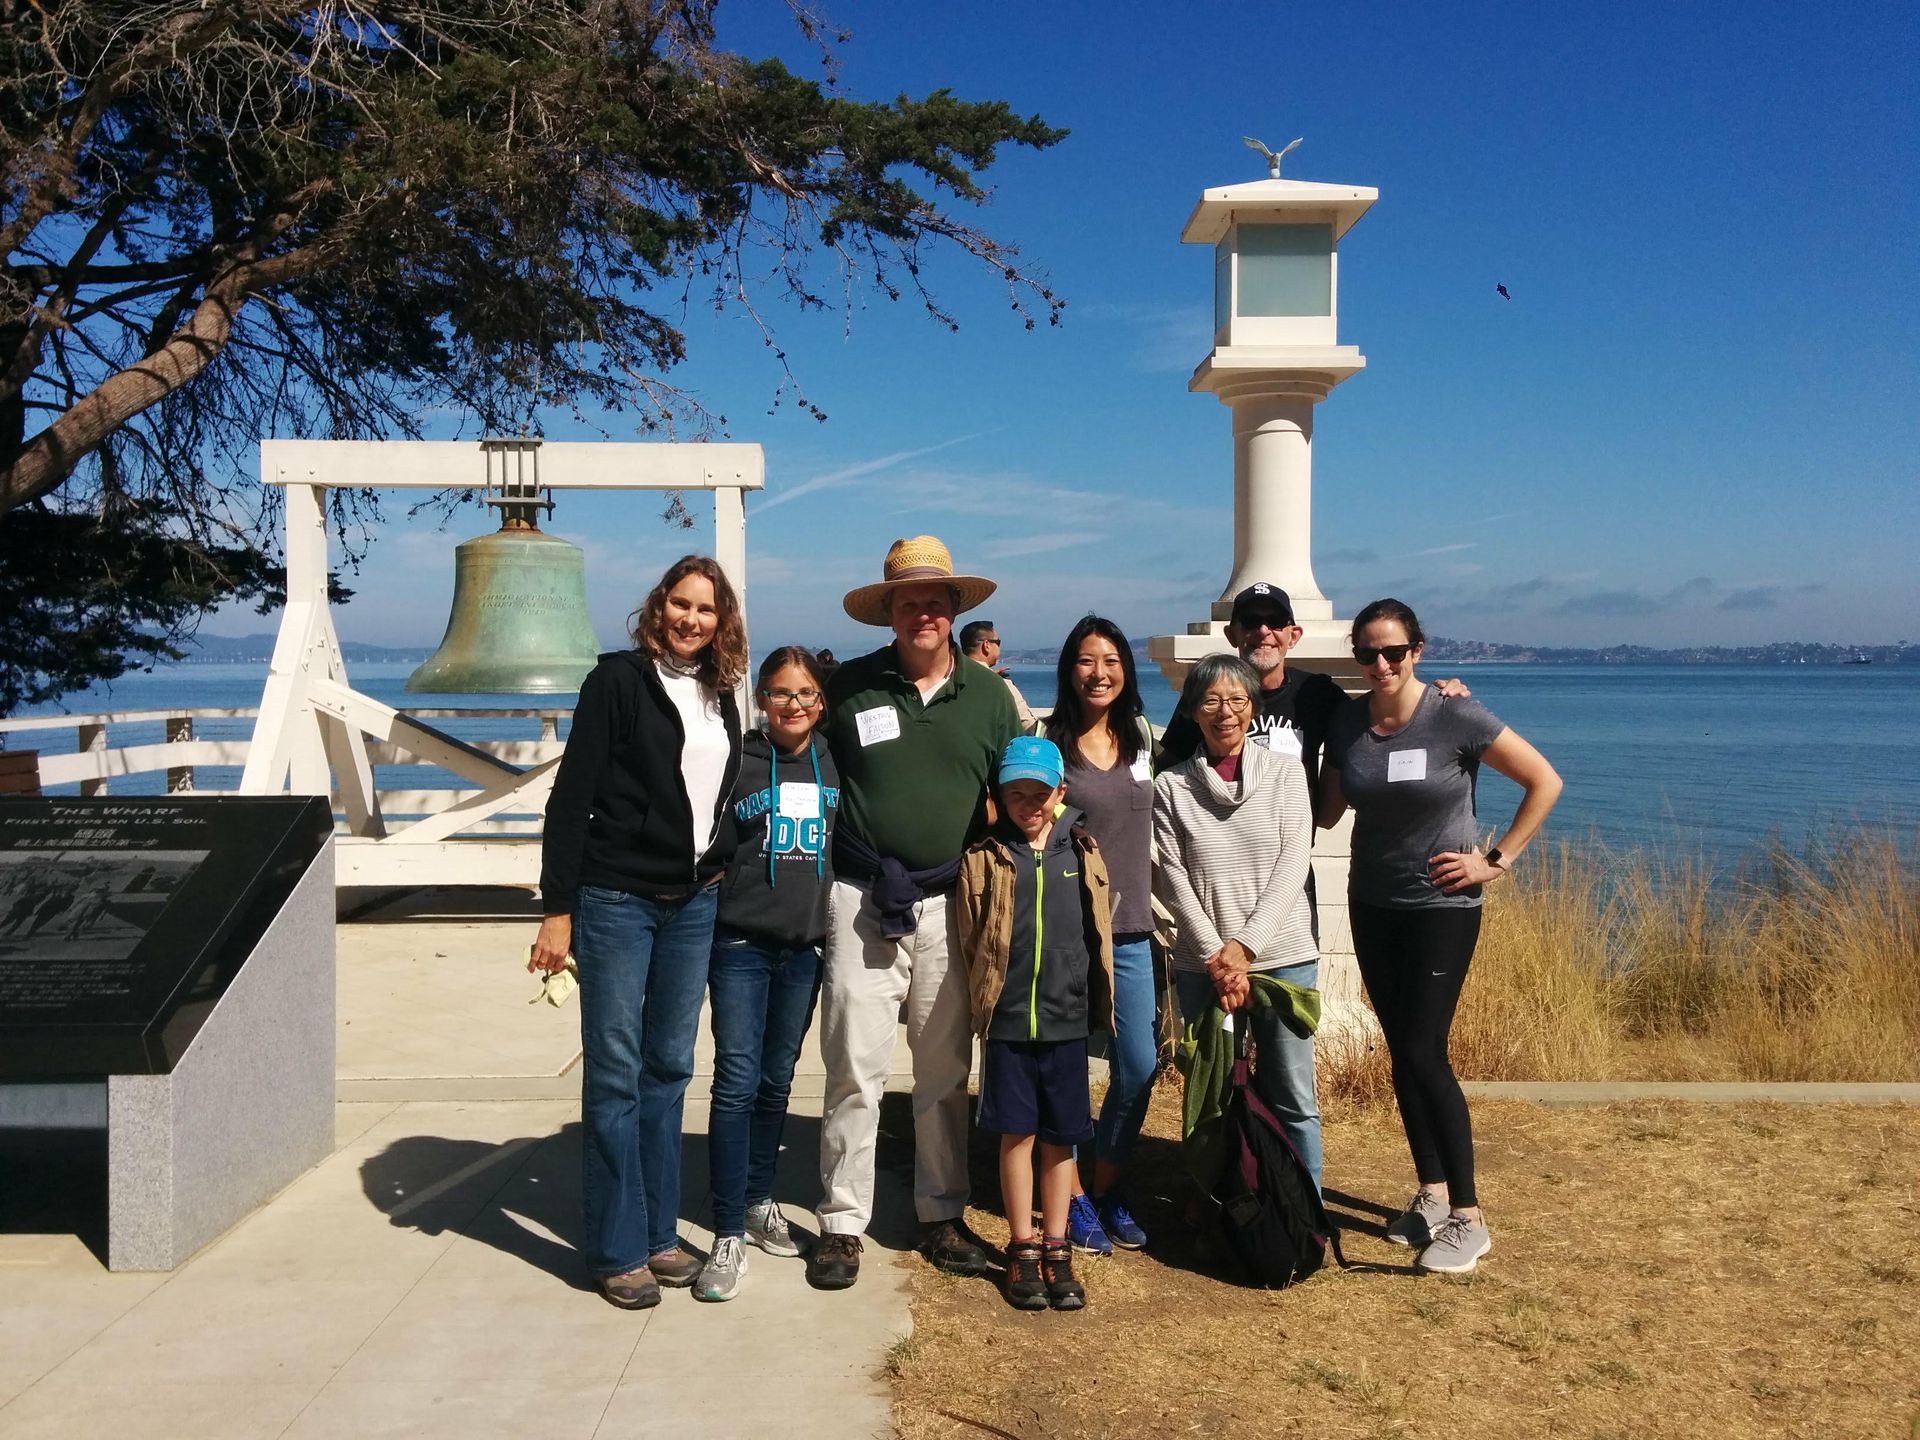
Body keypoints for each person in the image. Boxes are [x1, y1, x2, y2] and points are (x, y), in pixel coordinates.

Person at [1319, 597, 1562, 1276]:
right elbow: (1327, 806)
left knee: (1426, 1052)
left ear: (1417, 650)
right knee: (1401, 1050)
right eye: (1368, 653)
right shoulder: (1347, 719)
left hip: (1441, 909)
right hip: (1372, 903)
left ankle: (1468, 1217)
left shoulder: (1454, 712)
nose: (1383, 664)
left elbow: (1545, 780)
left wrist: (1495, 860)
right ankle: (1428, 1194)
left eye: (1394, 651)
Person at [531, 555, 746, 1311]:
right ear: (659, 608)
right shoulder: (617, 682)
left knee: (668, 1070)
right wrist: (557, 908)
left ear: (723, 622)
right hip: (617, 901)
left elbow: (715, 797)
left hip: (692, 904)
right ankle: (618, 1248)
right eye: (681, 605)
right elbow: (572, 798)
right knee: (617, 1073)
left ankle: (659, 1233)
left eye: (707, 610)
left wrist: (717, 869)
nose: (692, 620)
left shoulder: (722, 695)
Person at [808, 535, 1019, 1291]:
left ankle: (941, 1211)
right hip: (860, 899)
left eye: (935, 600)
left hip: (950, 905)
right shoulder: (853, 688)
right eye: (907, 602)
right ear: (888, 612)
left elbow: (1022, 791)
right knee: (854, 1067)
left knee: (941, 1070)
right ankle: (840, 1222)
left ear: (954, 608)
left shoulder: (993, 698)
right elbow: (801, 755)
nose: (922, 612)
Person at [694, 646, 840, 1302]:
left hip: (804, 949)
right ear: (760, 697)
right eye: (781, 693)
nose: (794, 705)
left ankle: (758, 1202)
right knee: (735, 1082)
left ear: (821, 700)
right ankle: (726, 1231)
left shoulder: (833, 758)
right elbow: (698, 822)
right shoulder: (739, 759)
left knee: (778, 1081)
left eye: (806, 693)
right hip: (742, 946)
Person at [1152, 653, 1323, 1187]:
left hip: (1283, 958)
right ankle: (1220, 1208)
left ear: (1252, 707)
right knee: (1211, 1093)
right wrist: (1218, 958)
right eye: (1210, 701)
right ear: (1193, 711)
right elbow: (1174, 877)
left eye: (1237, 700)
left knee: (1293, 1093)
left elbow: (1294, 861)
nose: (1224, 712)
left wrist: (1244, 948)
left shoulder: (1285, 773)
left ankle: (1302, 1210)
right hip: (1207, 968)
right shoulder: (1171, 787)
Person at [956, 736, 1114, 1311]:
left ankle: (1057, 1244)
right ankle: (1021, 1246)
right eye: (1016, 794)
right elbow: (971, 935)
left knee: (1061, 1138)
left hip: (1067, 1023)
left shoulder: (1083, 851)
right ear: (1000, 795)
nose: (1029, 805)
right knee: (1016, 1134)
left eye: (1039, 794)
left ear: (1060, 792)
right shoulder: (986, 856)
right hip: (1007, 1024)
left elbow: (1095, 929)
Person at [1040, 615, 1157, 1254]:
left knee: (1138, 1068)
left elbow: (1224, 722)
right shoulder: (1050, 744)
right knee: (1064, 1072)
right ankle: (1074, 1197)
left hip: (1134, 933)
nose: (1099, 671)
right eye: (1086, 660)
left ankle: (1105, 1186)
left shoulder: (1142, 741)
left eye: (1111, 659)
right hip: (1070, 935)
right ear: (1070, 670)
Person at [960, 618, 1038, 731]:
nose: (999, 647)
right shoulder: (1001, 685)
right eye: (998, 643)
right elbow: (1030, 727)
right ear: (986, 645)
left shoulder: (949, 679)